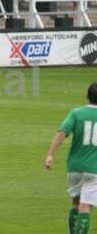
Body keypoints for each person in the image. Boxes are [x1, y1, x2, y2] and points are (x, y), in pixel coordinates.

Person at [44, 82, 97, 234]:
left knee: (75, 202)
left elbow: (61, 133)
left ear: (87, 96)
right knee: (85, 206)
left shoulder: (76, 113)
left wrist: (50, 155)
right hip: (94, 169)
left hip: (74, 167)